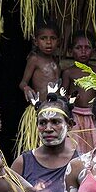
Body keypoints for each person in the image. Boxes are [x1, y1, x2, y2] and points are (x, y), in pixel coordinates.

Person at [17, 21, 62, 154]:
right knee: (35, 143)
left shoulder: (56, 61)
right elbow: (22, 82)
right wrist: (26, 88)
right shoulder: (34, 60)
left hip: (54, 108)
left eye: (52, 39)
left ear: (58, 41)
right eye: (43, 39)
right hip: (38, 109)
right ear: (36, 42)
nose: (48, 42)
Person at [61, 31, 96, 154]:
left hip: (92, 115)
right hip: (75, 115)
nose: (83, 51)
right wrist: (70, 98)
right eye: (78, 48)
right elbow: (62, 95)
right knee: (76, 144)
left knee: (94, 142)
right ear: (71, 51)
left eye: (87, 48)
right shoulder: (69, 72)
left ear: (93, 51)